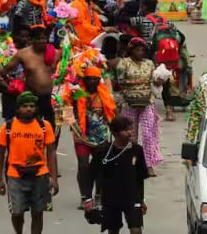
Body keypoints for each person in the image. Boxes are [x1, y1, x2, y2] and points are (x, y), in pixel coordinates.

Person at [0, 92, 59, 234]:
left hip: (40, 174)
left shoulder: (44, 126)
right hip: (15, 175)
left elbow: (51, 153)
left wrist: (53, 178)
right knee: (17, 213)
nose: (28, 109)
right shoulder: (8, 127)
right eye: (24, 106)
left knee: (38, 212)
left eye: (31, 106)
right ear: (18, 109)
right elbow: (0, 154)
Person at [90, 116, 150, 234]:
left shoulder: (137, 150)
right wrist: (88, 198)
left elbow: (140, 178)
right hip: (110, 198)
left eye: (131, 130)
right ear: (115, 133)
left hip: (132, 197)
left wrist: (141, 200)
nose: (130, 133)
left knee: (136, 229)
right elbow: (91, 174)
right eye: (126, 130)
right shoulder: (104, 152)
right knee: (113, 230)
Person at [113, 38, 162, 174]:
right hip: (129, 102)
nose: (140, 52)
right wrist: (138, 84)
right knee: (130, 134)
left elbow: (154, 81)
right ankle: (131, 161)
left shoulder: (149, 63)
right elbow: (120, 83)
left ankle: (148, 164)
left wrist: (160, 80)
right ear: (131, 50)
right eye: (137, 49)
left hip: (147, 102)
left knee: (148, 134)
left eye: (142, 50)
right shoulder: (124, 63)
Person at [67, 66, 115, 205]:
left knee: (100, 165)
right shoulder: (77, 93)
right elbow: (66, 109)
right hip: (81, 135)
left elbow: (112, 114)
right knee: (83, 165)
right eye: (89, 79)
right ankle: (85, 197)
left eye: (95, 79)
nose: (92, 82)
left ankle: (99, 194)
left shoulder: (105, 94)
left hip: (101, 136)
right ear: (84, 79)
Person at [0, 24, 58, 125]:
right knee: (32, 127)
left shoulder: (56, 53)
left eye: (44, 38)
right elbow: (5, 69)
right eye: (38, 39)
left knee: (52, 129)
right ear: (32, 40)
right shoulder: (23, 54)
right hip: (32, 97)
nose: (42, 41)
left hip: (51, 98)